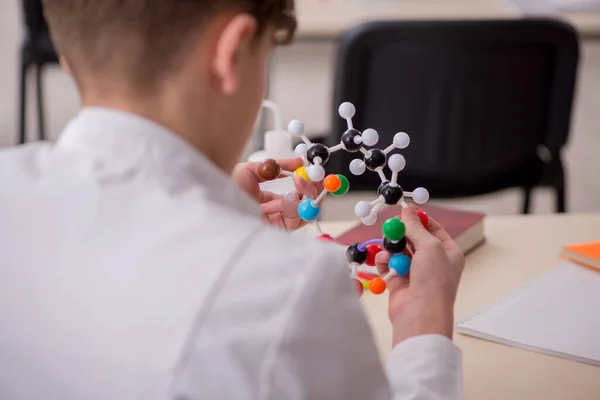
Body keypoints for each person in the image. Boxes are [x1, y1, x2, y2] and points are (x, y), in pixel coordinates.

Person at [0, 0, 465, 399]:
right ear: (231, 52)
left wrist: (231, 223)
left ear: (66, 55)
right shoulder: (291, 291)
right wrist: (424, 328)